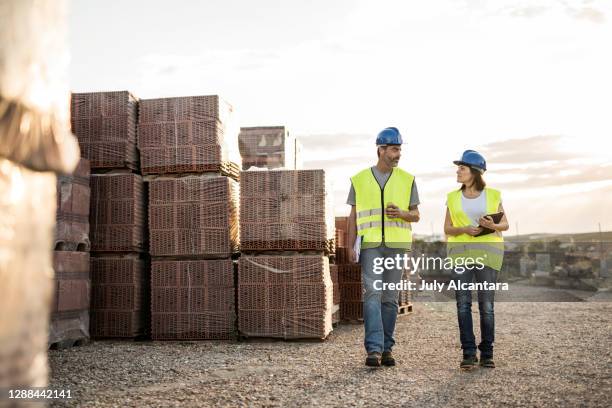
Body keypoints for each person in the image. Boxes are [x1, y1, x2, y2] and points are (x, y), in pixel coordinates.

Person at [346, 127, 420, 367]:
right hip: (371, 246)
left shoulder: (408, 179)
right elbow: (353, 216)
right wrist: (350, 245)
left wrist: (402, 213)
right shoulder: (359, 179)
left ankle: (387, 348)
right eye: (394, 149)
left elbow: (416, 215)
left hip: (396, 246)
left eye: (400, 149)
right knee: (373, 294)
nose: (398, 154)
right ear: (381, 149)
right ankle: (374, 350)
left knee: (389, 298)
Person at [443, 150, 509, 370]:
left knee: (486, 305)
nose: (458, 171)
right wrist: (463, 229)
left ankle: (487, 353)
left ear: (474, 172)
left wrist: (492, 226)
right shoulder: (452, 197)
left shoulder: (493, 195)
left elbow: (504, 224)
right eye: (458, 168)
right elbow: (447, 228)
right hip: (460, 253)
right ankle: (469, 353)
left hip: (488, 254)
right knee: (463, 304)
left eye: (462, 168)